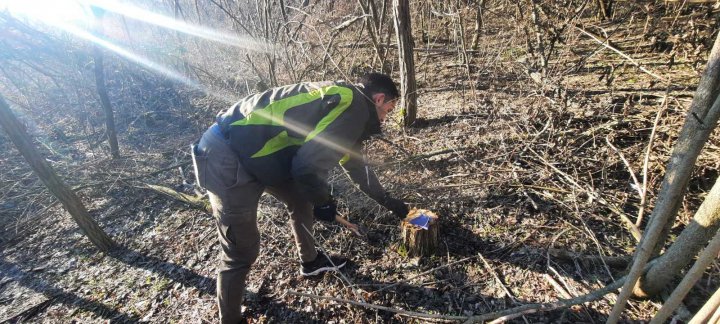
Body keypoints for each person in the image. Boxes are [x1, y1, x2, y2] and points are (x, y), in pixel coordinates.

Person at [191, 73, 409, 323]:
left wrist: (390, 203)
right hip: (227, 153)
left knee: (300, 197)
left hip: (261, 154)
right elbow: (307, 167)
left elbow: (356, 167)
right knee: (241, 250)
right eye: (390, 109)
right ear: (380, 99)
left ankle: (311, 261)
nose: (387, 116)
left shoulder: (347, 103)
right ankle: (230, 320)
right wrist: (324, 202)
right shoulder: (354, 108)